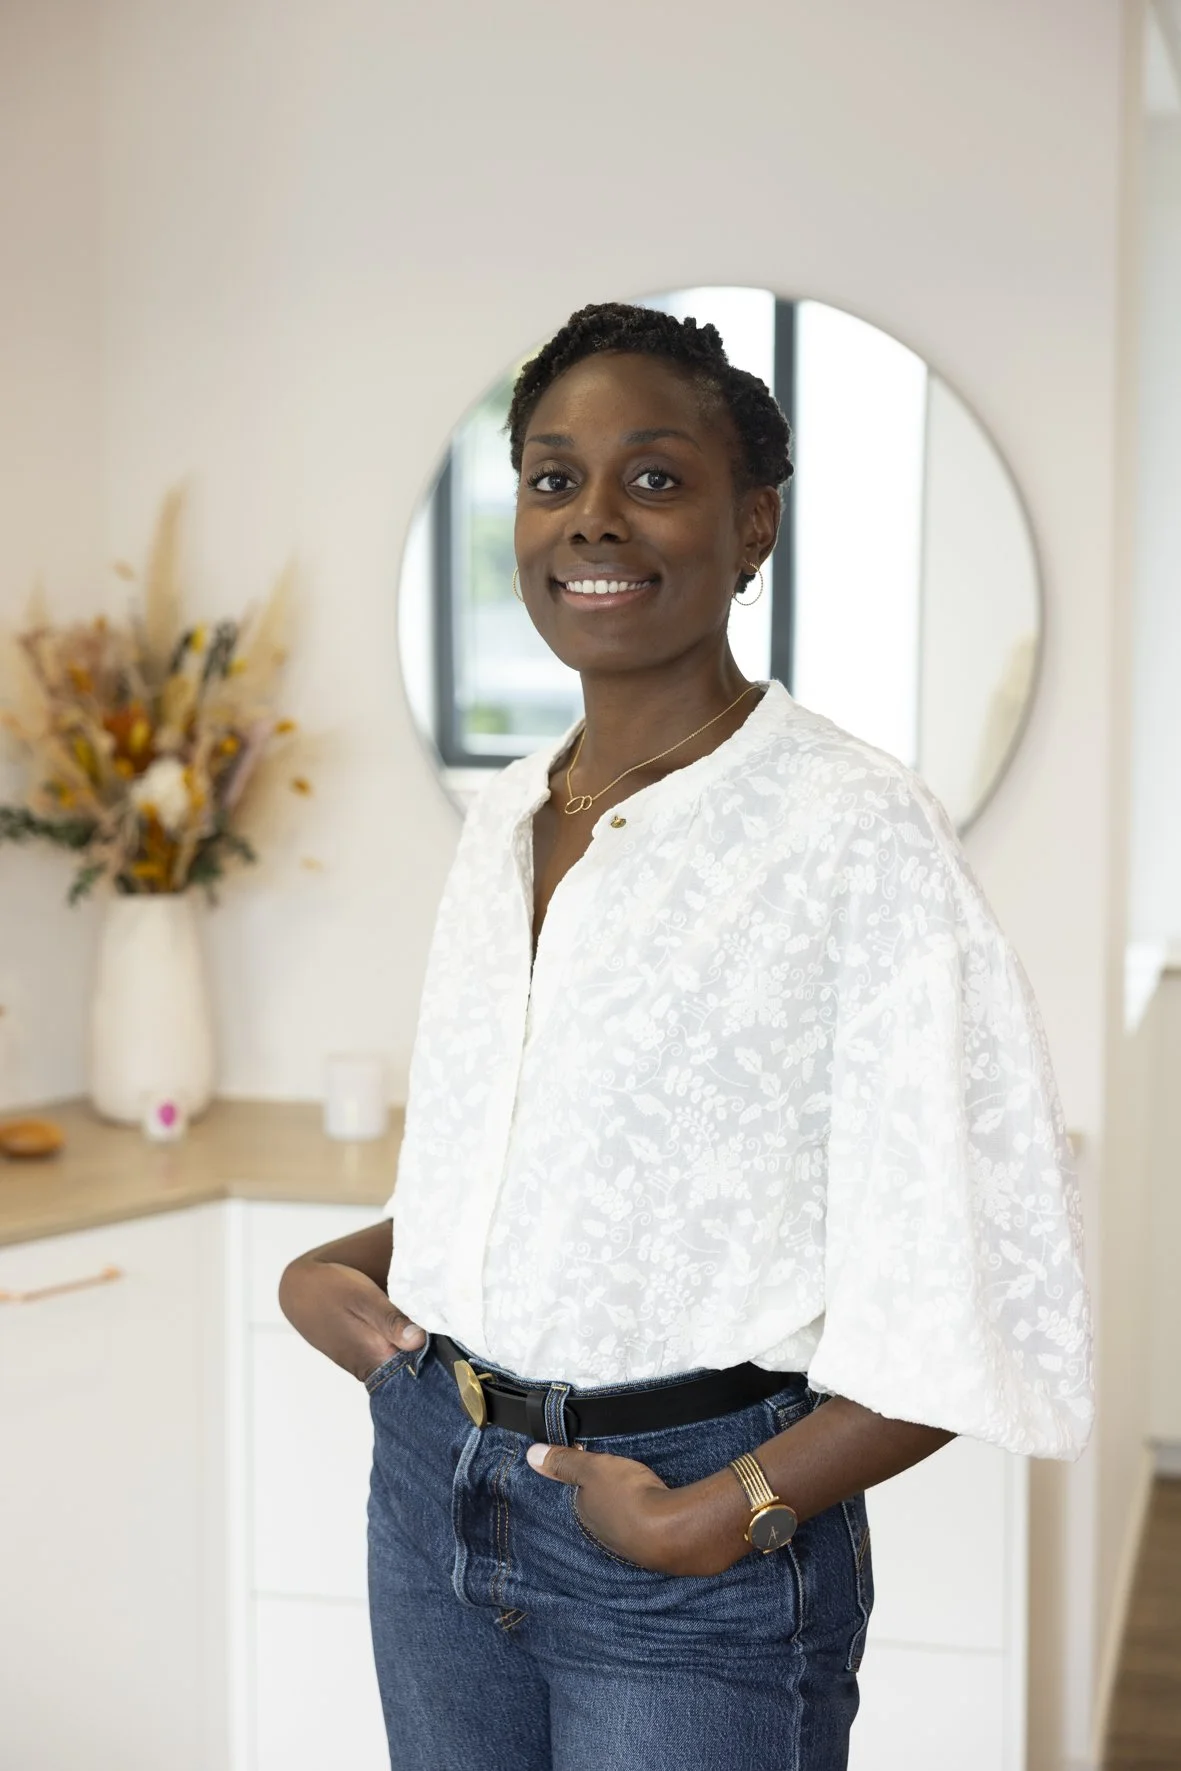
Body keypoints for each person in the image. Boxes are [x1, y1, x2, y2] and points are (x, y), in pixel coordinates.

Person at [279, 302, 1093, 1771]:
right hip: (432, 1490)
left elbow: (977, 1282)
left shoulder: (855, 829)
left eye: (653, 477)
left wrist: (715, 1513)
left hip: (682, 1548)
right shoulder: (503, 815)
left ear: (755, 522)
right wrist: (344, 1268)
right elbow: (544, 1177)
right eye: (551, 477)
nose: (592, 516)